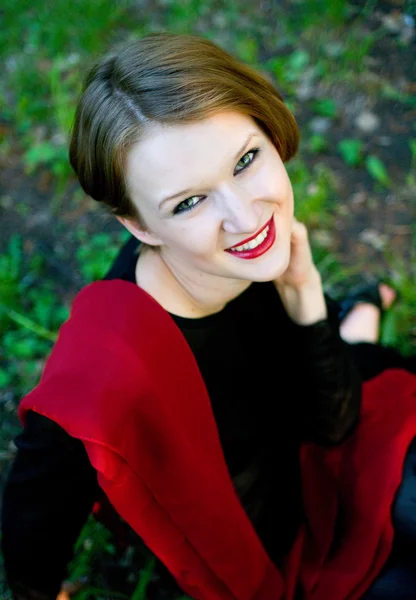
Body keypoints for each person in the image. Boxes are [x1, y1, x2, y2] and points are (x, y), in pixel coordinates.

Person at [2, 32, 416, 600]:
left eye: (246, 160)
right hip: (262, 552)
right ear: (139, 226)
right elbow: (34, 511)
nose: (246, 218)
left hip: (321, 457)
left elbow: (337, 424)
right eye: (189, 202)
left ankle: (354, 320)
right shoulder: (106, 374)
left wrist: (304, 295)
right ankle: (359, 320)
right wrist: (35, 590)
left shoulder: (252, 254)